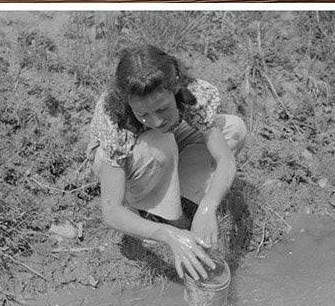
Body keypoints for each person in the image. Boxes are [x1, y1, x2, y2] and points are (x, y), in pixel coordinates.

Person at [88, 44, 248, 281]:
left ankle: (174, 195)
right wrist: (168, 235)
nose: (155, 120)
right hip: (123, 165)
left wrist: (208, 207)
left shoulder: (193, 92)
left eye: (163, 108)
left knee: (234, 129)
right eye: (142, 114)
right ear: (128, 103)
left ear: (174, 88)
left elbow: (225, 159)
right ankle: (167, 217)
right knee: (161, 144)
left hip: (166, 144)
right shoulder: (114, 117)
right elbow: (111, 211)